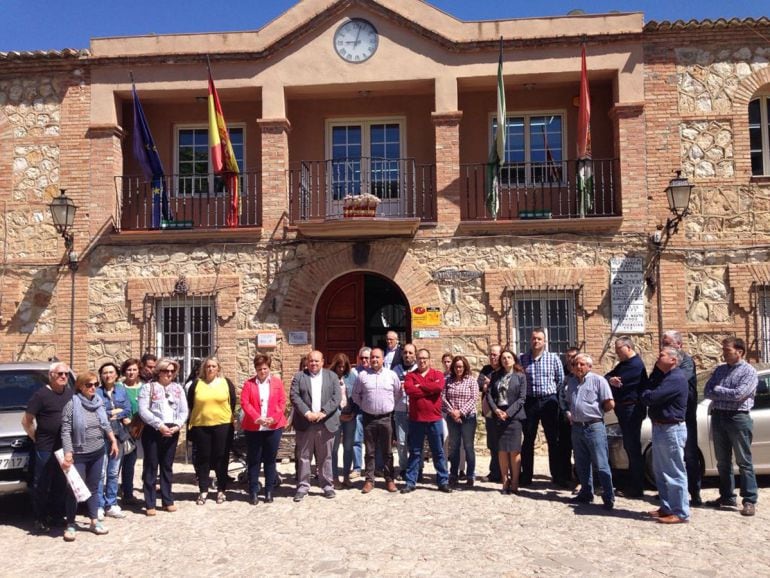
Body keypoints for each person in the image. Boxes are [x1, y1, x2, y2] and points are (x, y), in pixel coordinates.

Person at [60, 372, 119, 541]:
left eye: (95, 384)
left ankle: (94, 521)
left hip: (97, 451)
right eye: (89, 385)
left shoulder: (98, 402)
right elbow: (65, 431)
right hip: (78, 454)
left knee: (93, 487)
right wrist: (68, 453)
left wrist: (113, 440)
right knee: (74, 490)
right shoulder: (72, 404)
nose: (93, 387)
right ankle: (70, 523)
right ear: (80, 386)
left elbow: (105, 423)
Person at [703, 337, 759, 517]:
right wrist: (720, 392)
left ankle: (749, 499)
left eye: (727, 350)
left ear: (739, 352)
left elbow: (739, 395)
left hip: (738, 418)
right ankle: (727, 496)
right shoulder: (720, 370)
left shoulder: (749, 371)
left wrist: (719, 391)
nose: (723, 353)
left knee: (744, 461)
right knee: (723, 461)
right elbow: (707, 391)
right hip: (719, 416)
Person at [21, 361, 74, 534]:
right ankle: (40, 518)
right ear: (51, 376)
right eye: (60, 374)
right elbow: (26, 421)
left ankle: (57, 515)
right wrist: (35, 437)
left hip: (63, 447)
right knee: (42, 483)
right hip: (45, 446)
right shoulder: (41, 395)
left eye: (66, 374)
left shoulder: (69, 394)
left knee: (60, 483)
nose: (64, 377)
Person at [641, 347, 690, 524]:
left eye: (662, 355)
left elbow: (651, 397)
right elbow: (649, 392)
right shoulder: (663, 377)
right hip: (660, 427)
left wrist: (646, 393)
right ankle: (667, 506)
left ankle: (680, 512)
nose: (657, 356)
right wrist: (647, 392)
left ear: (673, 360)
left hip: (671, 429)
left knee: (674, 471)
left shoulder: (676, 378)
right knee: (660, 471)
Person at [563, 353, 615, 510]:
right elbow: (568, 402)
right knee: (581, 463)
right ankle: (586, 493)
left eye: (582, 364)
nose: (578, 367)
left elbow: (609, 403)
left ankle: (608, 496)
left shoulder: (599, 381)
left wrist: (595, 415)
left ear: (589, 366)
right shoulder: (571, 382)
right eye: (576, 364)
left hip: (594, 427)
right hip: (577, 427)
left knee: (601, 463)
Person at [137, 358, 189, 516]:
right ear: (159, 372)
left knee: (167, 466)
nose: (169, 374)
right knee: (151, 465)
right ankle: (150, 502)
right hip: (154, 429)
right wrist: (159, 425)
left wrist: (178, 425)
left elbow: (183, 410)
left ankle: (167, 500)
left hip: (172, 429)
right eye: (166, 371)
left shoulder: (178, 388)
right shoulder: (148, 388)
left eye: (172, 371)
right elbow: (143, 410)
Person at [289, 350, 341, 502]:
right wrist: (307, 413)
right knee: (304, 457)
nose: (313, 364)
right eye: (311, 361)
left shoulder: (332, 376)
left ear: (323, 362)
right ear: (307, 362)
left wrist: (323, 412)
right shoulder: (299, 376)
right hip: (306, 422)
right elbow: (294, 396)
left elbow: (336, 397)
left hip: (326, 422)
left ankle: (327, 485)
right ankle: (303, 486)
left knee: (326, 456)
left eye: (317, 361)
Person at [400, 349, 451, 494]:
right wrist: (429, 390)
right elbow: (409, 390)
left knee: (438, 451)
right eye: (420, 358)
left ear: (429, 360)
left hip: (435, 419)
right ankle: (410, 482)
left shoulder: (437, 374)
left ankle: (443, 481)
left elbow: (438, 387)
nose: (422, 361)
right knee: (415, 452)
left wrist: (420, 387)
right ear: (416, 359)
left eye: (425, 358)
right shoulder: (410, 375)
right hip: (416, 420)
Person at [186, 357, 236, 505]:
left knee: (221, 457)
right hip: (201, 425)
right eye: (208, 366)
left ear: (218, 368)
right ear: (204, 369)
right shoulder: (197, 384)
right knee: (203, 458)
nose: (211, 369)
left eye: (214, 366)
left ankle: (221, 490)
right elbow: (191, 403)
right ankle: (203, 490)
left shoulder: (226, 383)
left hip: (223, 425)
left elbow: (232, 401)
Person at [351, 347, 401, 493]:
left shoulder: (391, 375)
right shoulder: (363, 376)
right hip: (369, 418)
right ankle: (369, 480)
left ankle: (389, 479)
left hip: (386, 418)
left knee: (387, 452)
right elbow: (355, 395)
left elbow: (398, 393)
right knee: (370, 451)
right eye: (372, 357)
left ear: (383, 359)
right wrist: (365, 405)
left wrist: (390, 406)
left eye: (377, 357)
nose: (374, 360)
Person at [660, 330, 702, 505]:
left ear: (679, 345)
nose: (665, 347)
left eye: (668, 343)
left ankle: (694, 494)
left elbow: (676, 384)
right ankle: (671, 493)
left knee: (690, 455)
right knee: (668, 457)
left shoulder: (686, 362)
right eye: (663, 344)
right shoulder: (662, 362)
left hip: (685, 416)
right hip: (667, 416)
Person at [241, 354, 287, 505]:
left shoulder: (277, 383)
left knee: (270, 459)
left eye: (265, 368)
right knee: (254, 460)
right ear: (255, 369)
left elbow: (281, 402)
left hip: (273, 426)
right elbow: (245, 403)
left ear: (269, 368)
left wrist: (273, 417)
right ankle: (253, 490)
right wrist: (257, 417)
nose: (262, 371)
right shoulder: (249, 384)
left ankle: (268, 491)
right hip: (254, 426)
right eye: (260, 369)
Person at [520, 329, 564, 487]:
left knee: (553, 439)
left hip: (549, 401)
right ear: (529, 340)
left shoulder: (553, 359)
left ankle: (557, 476)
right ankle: (526, 477)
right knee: (528, 439)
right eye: (533, 338)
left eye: (539, 339)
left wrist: (553, 398)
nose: (536, 341)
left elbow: (560, 380)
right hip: (530, 402)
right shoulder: (522, 359)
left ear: (545, 341)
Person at [605, 337, 648, 497]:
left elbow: (621, 385)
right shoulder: (623, 364)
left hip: (632, 409)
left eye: (618, 349)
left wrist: (611, 381)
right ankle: (633, 483)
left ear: (628, 347)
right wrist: (610, 380)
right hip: (623, 409)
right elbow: (607, 377)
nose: (616, 353)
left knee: (632, 447)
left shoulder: (635, 365)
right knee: (629, 447)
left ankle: (637, 487)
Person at [486, 350, 527, 494]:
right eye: (503, 358)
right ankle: (505, 481)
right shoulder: (495, 376)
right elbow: (489, 395)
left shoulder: (520, 377)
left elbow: (522, 398)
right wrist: (496, 410)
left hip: (514, 418)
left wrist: (508, 413)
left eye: (509, 357)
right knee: (502, 451)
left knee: (514, 451)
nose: (506, 360)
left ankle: (515, 482)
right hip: (499, 417)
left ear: (514, 360)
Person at [96, 361, 131, 519]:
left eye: (111, 372)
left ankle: (111, 503)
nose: (108, 375)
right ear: (101, 376)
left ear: (116, 374)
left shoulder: (121, 390)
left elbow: (128, 409)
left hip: (119, 435)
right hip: (101, 436)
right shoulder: (96, 392)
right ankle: (98, 505)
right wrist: (115, 412)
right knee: (100, 472)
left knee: (113, 472)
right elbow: (98, 412)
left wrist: (118, 413)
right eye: (105, 373)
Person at [442, 355, 478, 488]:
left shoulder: (471, 381)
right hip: (452, 418)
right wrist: (452, 412)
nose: (459, 369)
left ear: (465, 367)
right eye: (456, 366)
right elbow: (443, 398)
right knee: (454, 447)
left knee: (468, 447)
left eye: (461, 366)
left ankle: (470, 475)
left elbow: (474, 399)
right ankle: (453, 474)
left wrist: (461, 412)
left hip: (468, 417)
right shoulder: (447, 381)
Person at [330, 353, 358, 488]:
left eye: (343, 367)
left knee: (348, 447)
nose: (341, 369)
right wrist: (338, 415)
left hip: (350, 416)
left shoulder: (352, 377)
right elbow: (326, 399)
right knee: (334, 448)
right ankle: (334, 477)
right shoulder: (329, 377)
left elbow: (357, 395)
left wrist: (354, 412)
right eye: (338, 367)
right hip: (335, 417)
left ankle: (346, 475)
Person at [118, 357, 142, 505]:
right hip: (122, 429)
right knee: (119, 462)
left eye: (134, 369)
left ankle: (128, 492)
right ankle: (116, 492)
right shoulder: (119, 387)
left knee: (131, 462)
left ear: (138, 371)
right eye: (129, 370)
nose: (131, 372)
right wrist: (123, 418)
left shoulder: (143, 387)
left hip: (139, 429)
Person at [392, 343, 418, 479]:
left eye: (410, 353)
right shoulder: (395, 370)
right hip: (400, 411)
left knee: (416, 442)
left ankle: (417, 469)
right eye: (405, 353)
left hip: (416, 411)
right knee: (401, 443)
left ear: (415, 355)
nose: (407, 355)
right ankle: (403, 468)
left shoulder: (419, 369)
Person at [555, 347, 579, 489]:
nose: (570, 359)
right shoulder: (563, 373)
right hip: (564, 417)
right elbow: (561, 395)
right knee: (564, 448)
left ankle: (579, 478)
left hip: (579, 419)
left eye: (573, 356)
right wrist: (565, 411)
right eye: (568, 357)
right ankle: (565, 476)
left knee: (579, 450)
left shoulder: (582, 374)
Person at [478, 345, 502, 482]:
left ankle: (508, 471)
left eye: (495, 355)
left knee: (505, 443)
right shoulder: (486, 369)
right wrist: (489, 384)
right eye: (491, 354)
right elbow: (480, 384)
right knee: (492, 443)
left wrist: (490, 383)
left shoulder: (504, 370)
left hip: (504, 411)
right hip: (489, 412)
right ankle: (494, 472)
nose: (492, 357)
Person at [350, 347, 371, 478]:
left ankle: (375, 468)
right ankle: (357, 468)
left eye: (366, 358)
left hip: (373, 412)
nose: (364, 360)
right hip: (358, 410)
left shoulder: (376, 371)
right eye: (362, 358)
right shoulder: (353, 372)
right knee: (356, 440)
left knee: (374, 441)